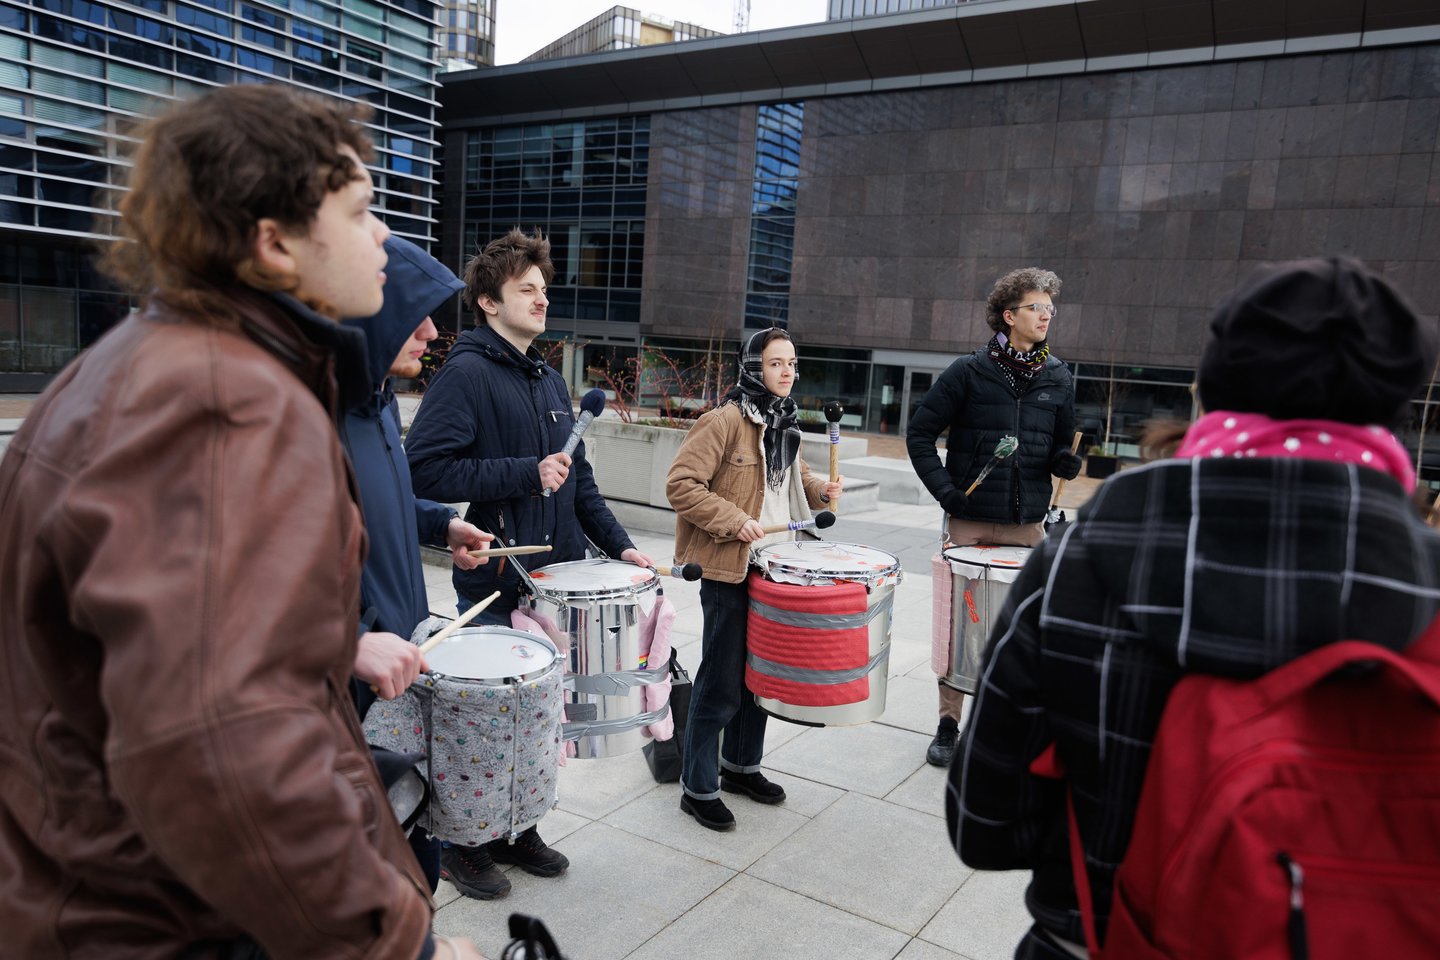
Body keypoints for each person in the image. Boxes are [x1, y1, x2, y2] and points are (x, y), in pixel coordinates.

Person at [0, 85, 482, 959]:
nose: (383, 237)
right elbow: (221, 752)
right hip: (170, 922)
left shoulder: (123, 368)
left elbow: (165, 652)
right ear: (273, 243)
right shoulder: (230, 406)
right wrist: (397, 943)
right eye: (362, 211)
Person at [947, 257, 1440, 960]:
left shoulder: (1092, 556)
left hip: (1095, 939)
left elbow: (983, 824)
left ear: (1217, 384)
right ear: (1399, 404)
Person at [405, 227, 653, 898]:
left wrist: (623, 547)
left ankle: (516, 829)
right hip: (496, 581)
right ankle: (465, 843)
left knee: (539, 723)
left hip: (555, 584)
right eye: (526, 290)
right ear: (488, 301)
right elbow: (423, 467)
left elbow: (579, 482)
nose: (542, 300)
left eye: (544, 290)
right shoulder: (466, 371)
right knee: (479, 729)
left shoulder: (546, 376)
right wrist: (523, 470)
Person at [340, 235, 495, 892]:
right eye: (415, 314)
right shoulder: (313, 421)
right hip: (350, 693)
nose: (432, 331)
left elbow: (390, 500)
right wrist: (348, 644)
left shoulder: (377, 406)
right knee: (372, 875)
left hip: (404, 663)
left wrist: (442, 523)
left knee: (417, 851)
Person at [665, 327, 842, 831]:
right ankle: (698, 788)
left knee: (758, 676)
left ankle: (741, 767)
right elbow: (681, 484)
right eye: (776, 363)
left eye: (792, 363)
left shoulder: (782, 422)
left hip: (774, 568)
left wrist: (822, 488)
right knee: (720, 681)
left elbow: (787, 480)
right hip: (730, 570)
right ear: (751, 368)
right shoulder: (722, 422)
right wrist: (730, 519)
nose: (788, 371)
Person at [906, 266, 1080, 768]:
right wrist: (946, 492)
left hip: (1029, 525)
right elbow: (920, 436)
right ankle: (947, 723)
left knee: (1024, 627)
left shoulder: (1059, 376)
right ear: (1009, 316)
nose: (1046, 315)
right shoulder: (968, 371)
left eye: (1050, 308)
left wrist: (1064, 464)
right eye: (1036, 307)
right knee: (962, 624)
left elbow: (1060, 449)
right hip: (970, 521)